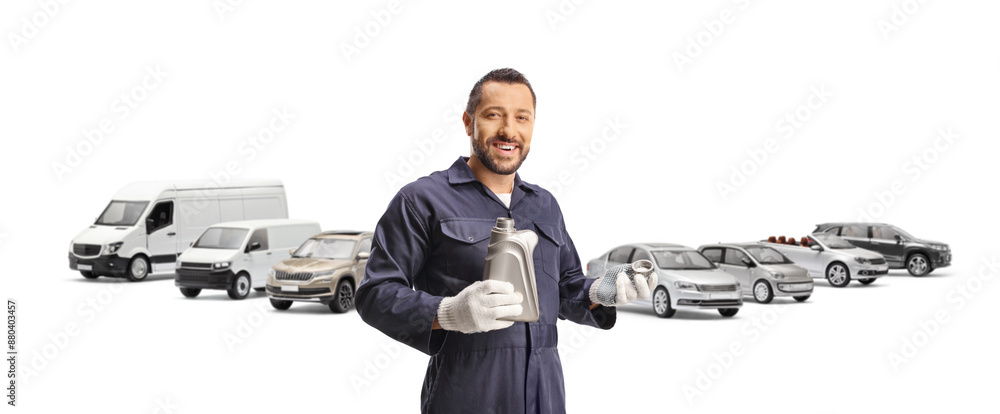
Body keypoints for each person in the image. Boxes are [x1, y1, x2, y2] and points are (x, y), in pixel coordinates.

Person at [355, 68, 657, 413]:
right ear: (469, 123)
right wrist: (448, 313)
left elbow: (565, 286)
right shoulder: (422, 200)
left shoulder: (545, 205)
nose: (508, 130)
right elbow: (374, 293)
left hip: (545, 395)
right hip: (467, 396)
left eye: (522, 118)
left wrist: (602, 290)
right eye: (493, 115)